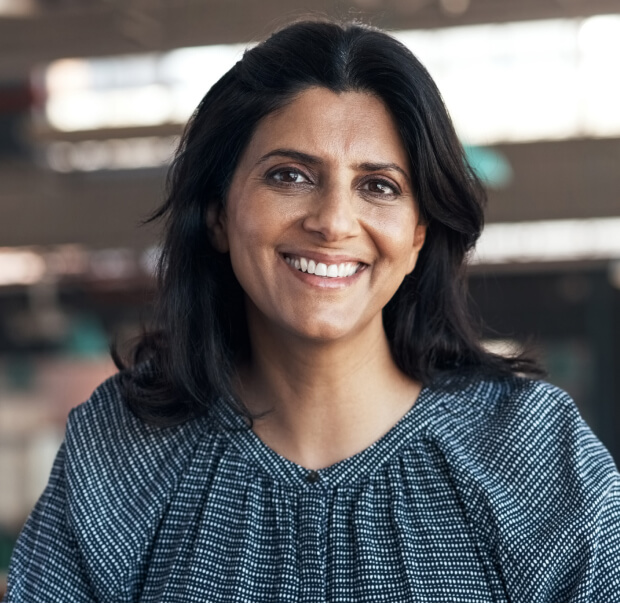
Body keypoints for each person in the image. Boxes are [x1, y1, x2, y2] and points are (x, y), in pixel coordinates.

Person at [4, 19, 620, 603]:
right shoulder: (118, 451)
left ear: (418, 235)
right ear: (218, 213)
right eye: (290, 176)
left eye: (378, 186)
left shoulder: (533, 453)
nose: (332, 222)